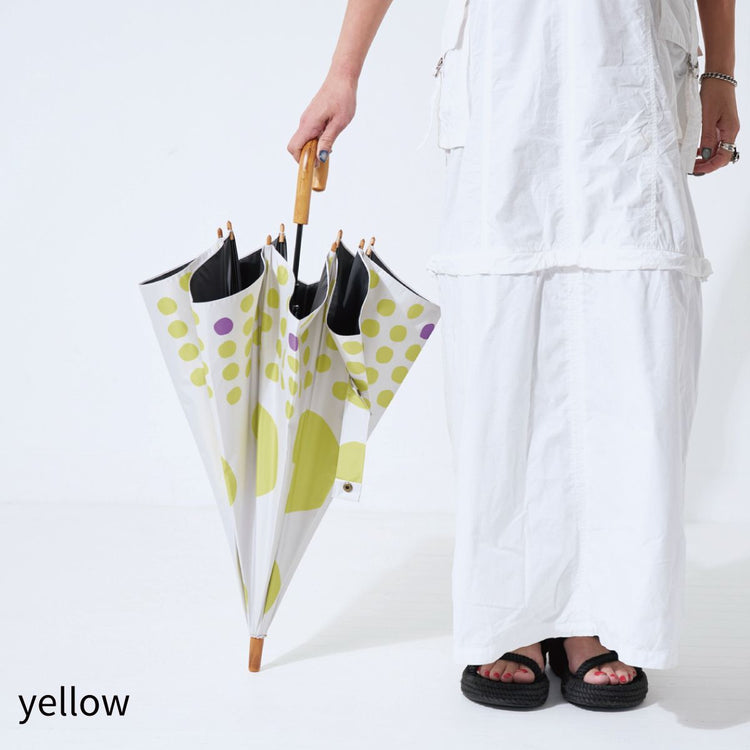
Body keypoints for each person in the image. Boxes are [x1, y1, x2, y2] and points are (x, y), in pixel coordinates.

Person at [287, 0, 740, 711]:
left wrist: (722, 73)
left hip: (628, 61)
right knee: (499, 355)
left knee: (631, 345)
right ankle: (511, 615)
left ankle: (602, 613)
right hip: (505, 73)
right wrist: (343, 74)